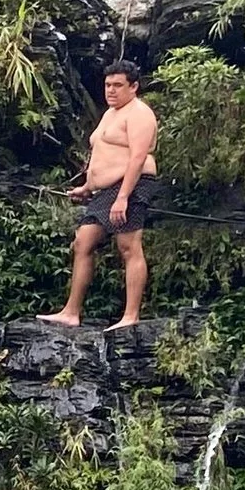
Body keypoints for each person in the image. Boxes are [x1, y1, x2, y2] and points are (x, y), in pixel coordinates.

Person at [45, 63, 159, 330]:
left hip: (131, 185)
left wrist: (123, 197)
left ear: (134, 86)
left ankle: (131, 316)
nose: (111, 90)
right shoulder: (110, 113)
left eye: (118, 85)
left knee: (128, 246)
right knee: (83, 241)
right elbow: (103, 152)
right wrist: (87, 186)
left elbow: (137, 157)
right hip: (104, 190)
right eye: (108, 85)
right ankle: (71, 312)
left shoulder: (140, 114)